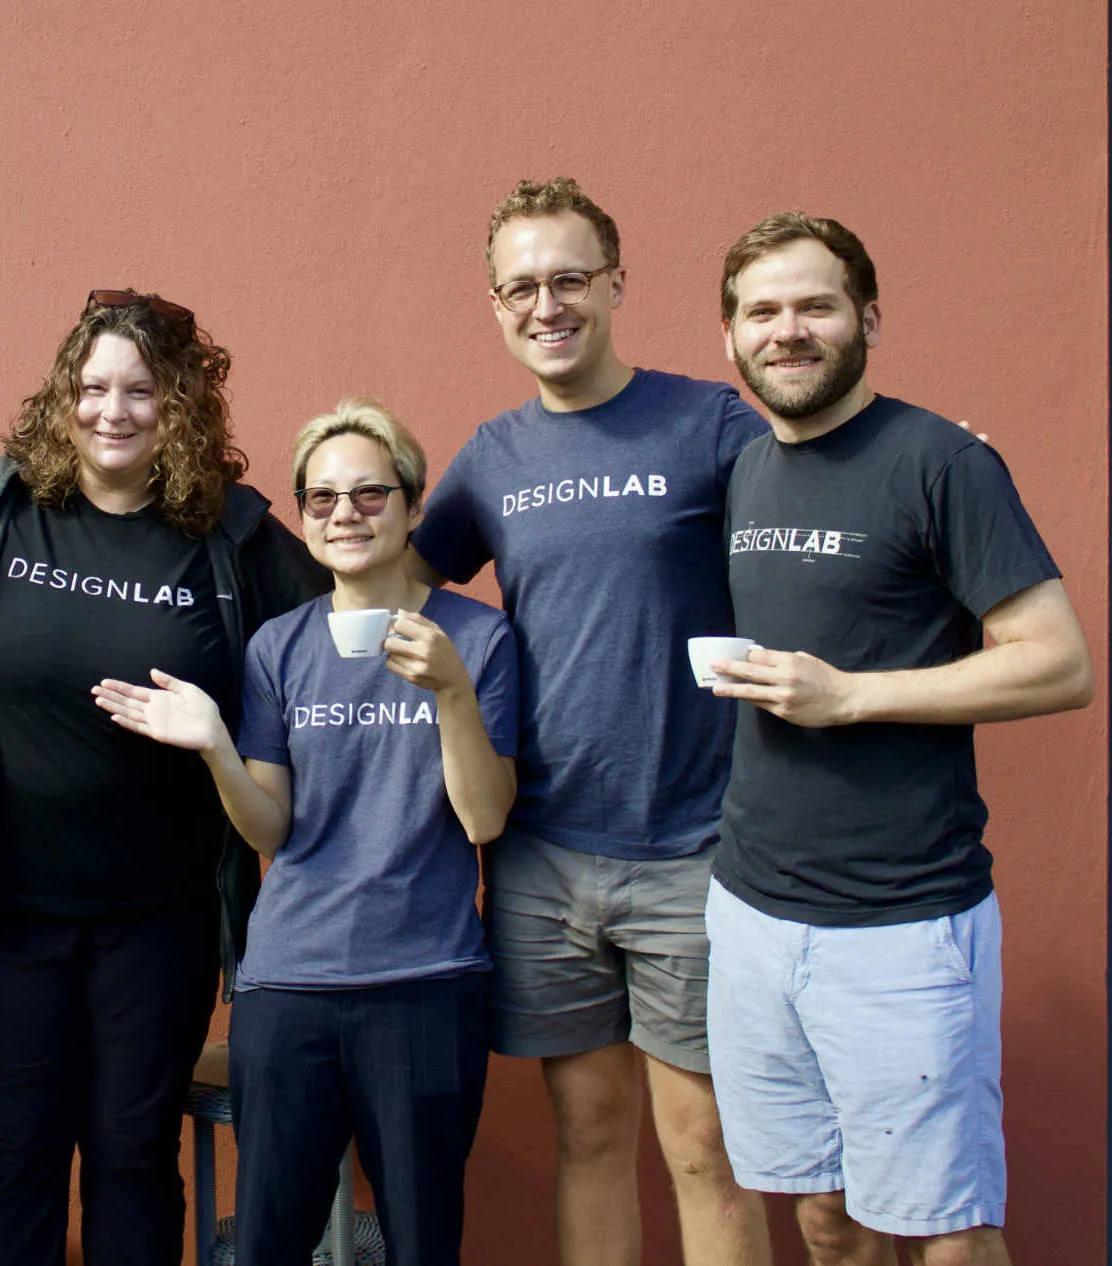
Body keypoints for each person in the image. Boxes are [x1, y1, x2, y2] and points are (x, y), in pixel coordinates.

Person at [0, 289, 327, 1266]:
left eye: (141, 390)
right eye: (91, 388)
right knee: (12, 1155)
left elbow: (341, 639)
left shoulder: (232, 534)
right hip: (0, 916)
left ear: (182, 404)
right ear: (62, 398)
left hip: (158, 920)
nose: (111, 411)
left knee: (133, 1156)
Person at [706, 213, 1092, 1266]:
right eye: (762, 311)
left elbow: (1058, 662)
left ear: (867, 317)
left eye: (814, 305)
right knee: (824, 1220)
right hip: (750, 911)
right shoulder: (746, 471)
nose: (788, 330)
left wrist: (850, 697)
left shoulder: (943, 462)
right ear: (729, 340)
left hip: (900, 923)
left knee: (947, 1232)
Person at [408, 177, 771, 1265]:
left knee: (704, 1144)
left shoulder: (706, 421)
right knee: (592, 1130)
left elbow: (815, 521)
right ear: (494, 305)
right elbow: (386, 583)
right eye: (519, 286)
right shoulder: (493, 457)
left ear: (616, 283)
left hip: (694, 845)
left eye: (568, 279)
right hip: (544, 855)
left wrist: (919, 474)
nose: (545, 304)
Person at [95, 399, 518, 1266]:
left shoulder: (476, 637)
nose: (344, 515)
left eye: (368, 493)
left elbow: (484, 818)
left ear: (411, 504)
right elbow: (273, 830)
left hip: (427, 980)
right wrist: (215, 744)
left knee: (422, 1238)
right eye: (319, 499)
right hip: (288, 984)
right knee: (269, 1239)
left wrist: (451, 693)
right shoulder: (277, 647)